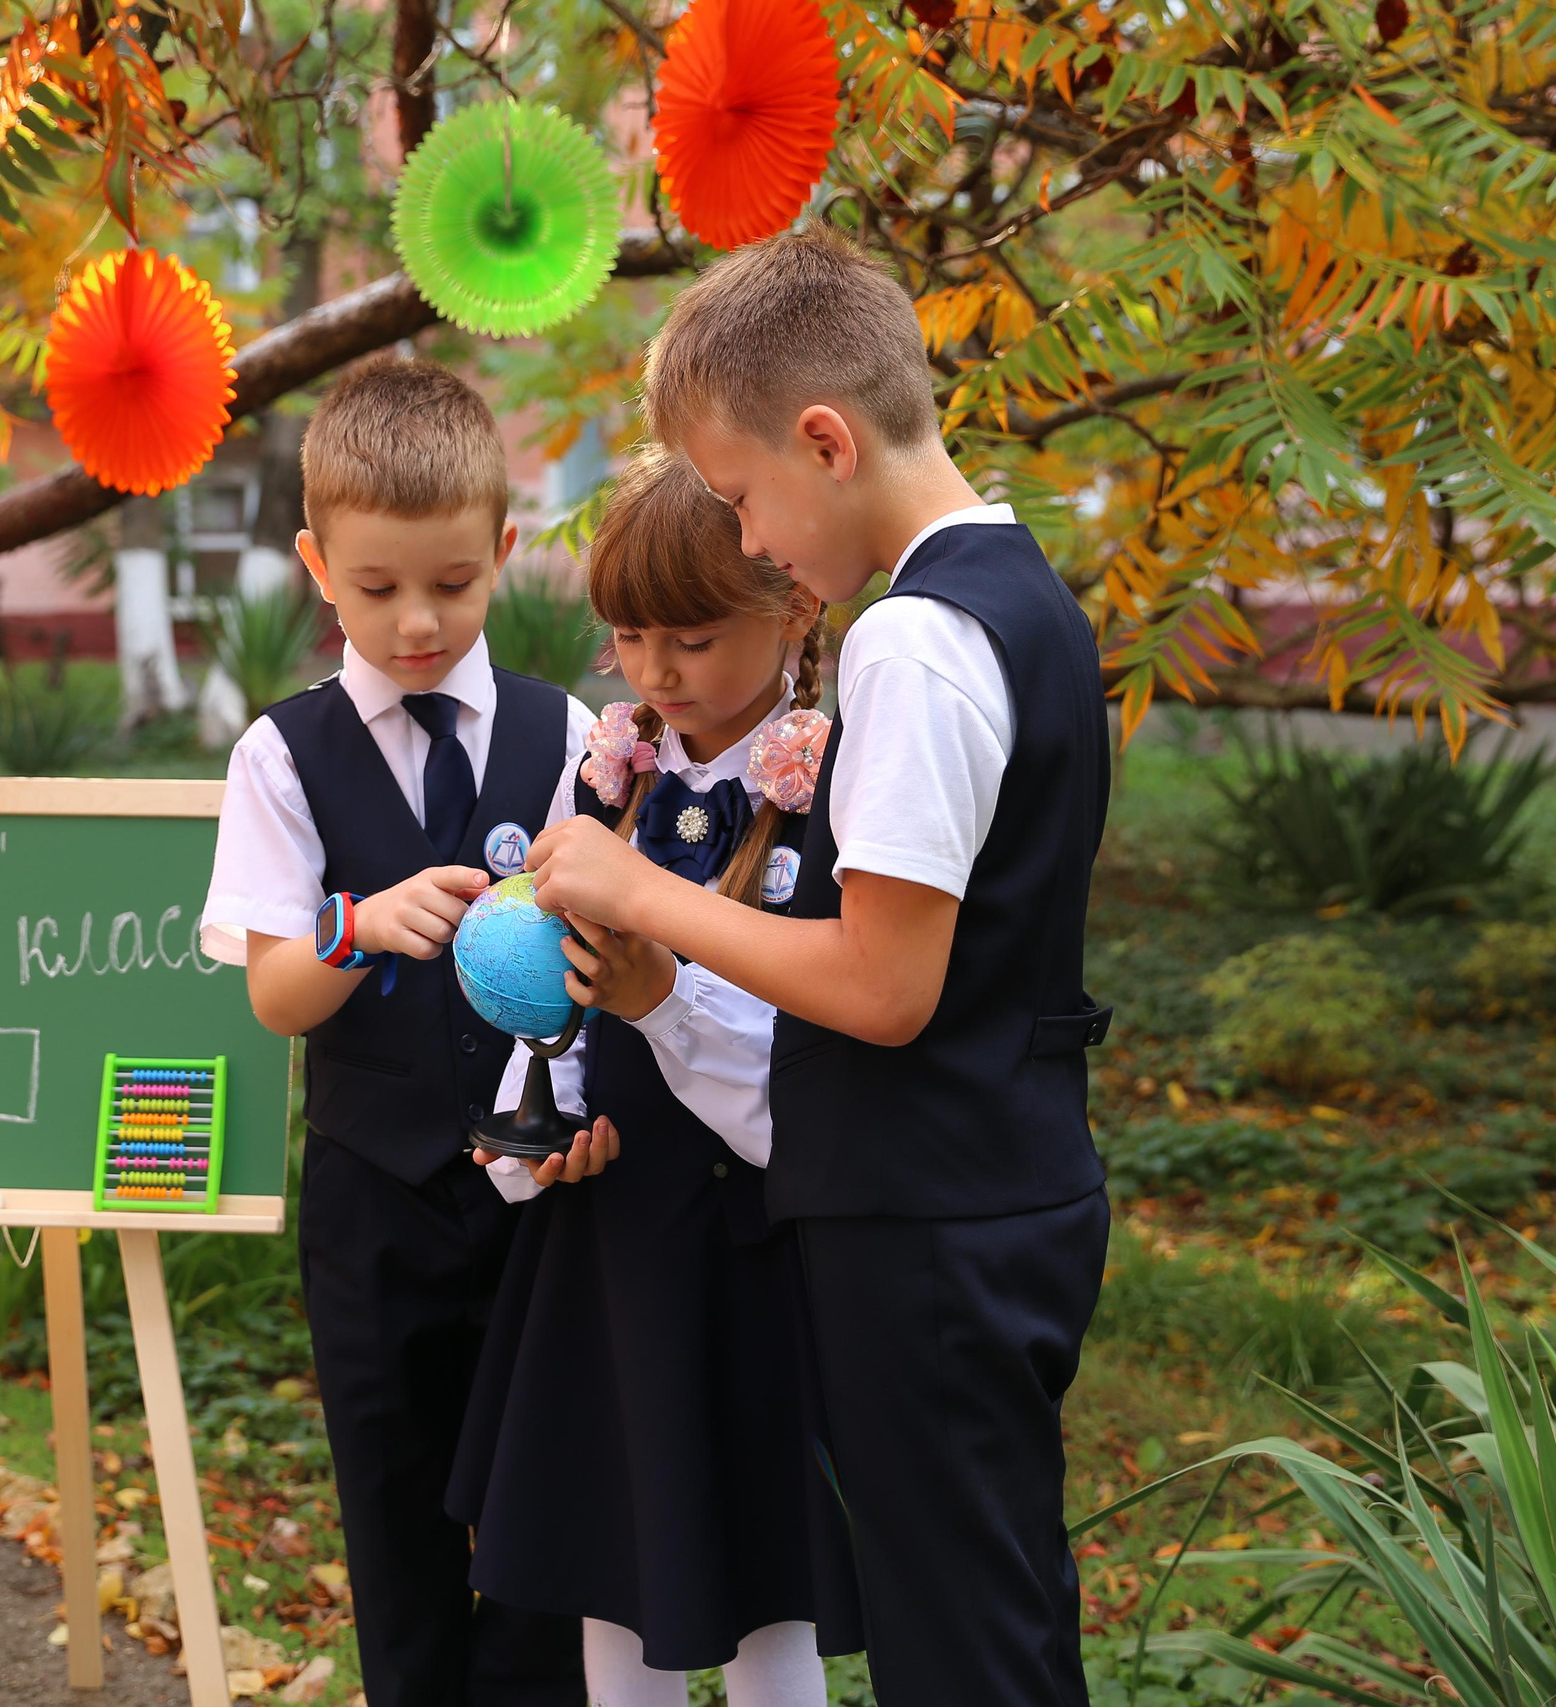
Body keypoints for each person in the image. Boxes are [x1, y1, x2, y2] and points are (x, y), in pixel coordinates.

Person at [523, 227, 1115, 1706]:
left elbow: (882, 981)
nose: (756, 541)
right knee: (999, 1616)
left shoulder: (911, 642)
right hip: (997, 1179)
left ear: (827, 440)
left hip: (925, 1215)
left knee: (955, 1646)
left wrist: (639, 890)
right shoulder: (1020, 590)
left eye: (741, 497)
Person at [200, 356, 596, 1707]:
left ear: (503, 547)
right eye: (376, 589)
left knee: (549, 1522)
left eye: (452, 582)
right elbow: (274, 993)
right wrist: (354, 926)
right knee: (398, 1517)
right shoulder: (282, 755)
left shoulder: (571, 736)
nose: (417, 621)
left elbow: (622, 965)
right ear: (317, 563)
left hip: (544, 1198)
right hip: (375, 1205)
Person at [445, 450, 863, 1707]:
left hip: (753, 1251)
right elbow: (556, 993)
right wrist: (539, 1128)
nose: (655, 670)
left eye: (690, 633)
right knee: (611, 1565)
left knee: (762, 1587)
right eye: (627, 634)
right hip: (615, 1242)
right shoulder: (611, 772)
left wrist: (660, 995)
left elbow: (806, 1101)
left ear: (792, 606)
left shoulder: (833, 790)